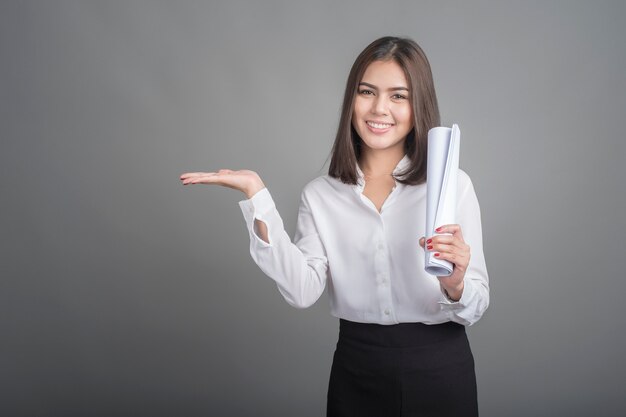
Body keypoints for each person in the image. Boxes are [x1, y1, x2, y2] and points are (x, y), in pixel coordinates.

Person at [180, 36, 489, 417]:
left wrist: (456, 283)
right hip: (358, 370)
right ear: (351, 99)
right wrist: (257, 195)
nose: (379, 108)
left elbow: (476, 304)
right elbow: (301, 290)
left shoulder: (451, 185)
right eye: (367, 92)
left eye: (398, 96)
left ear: (418, 105)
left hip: (440, 369)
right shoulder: (321, 195)